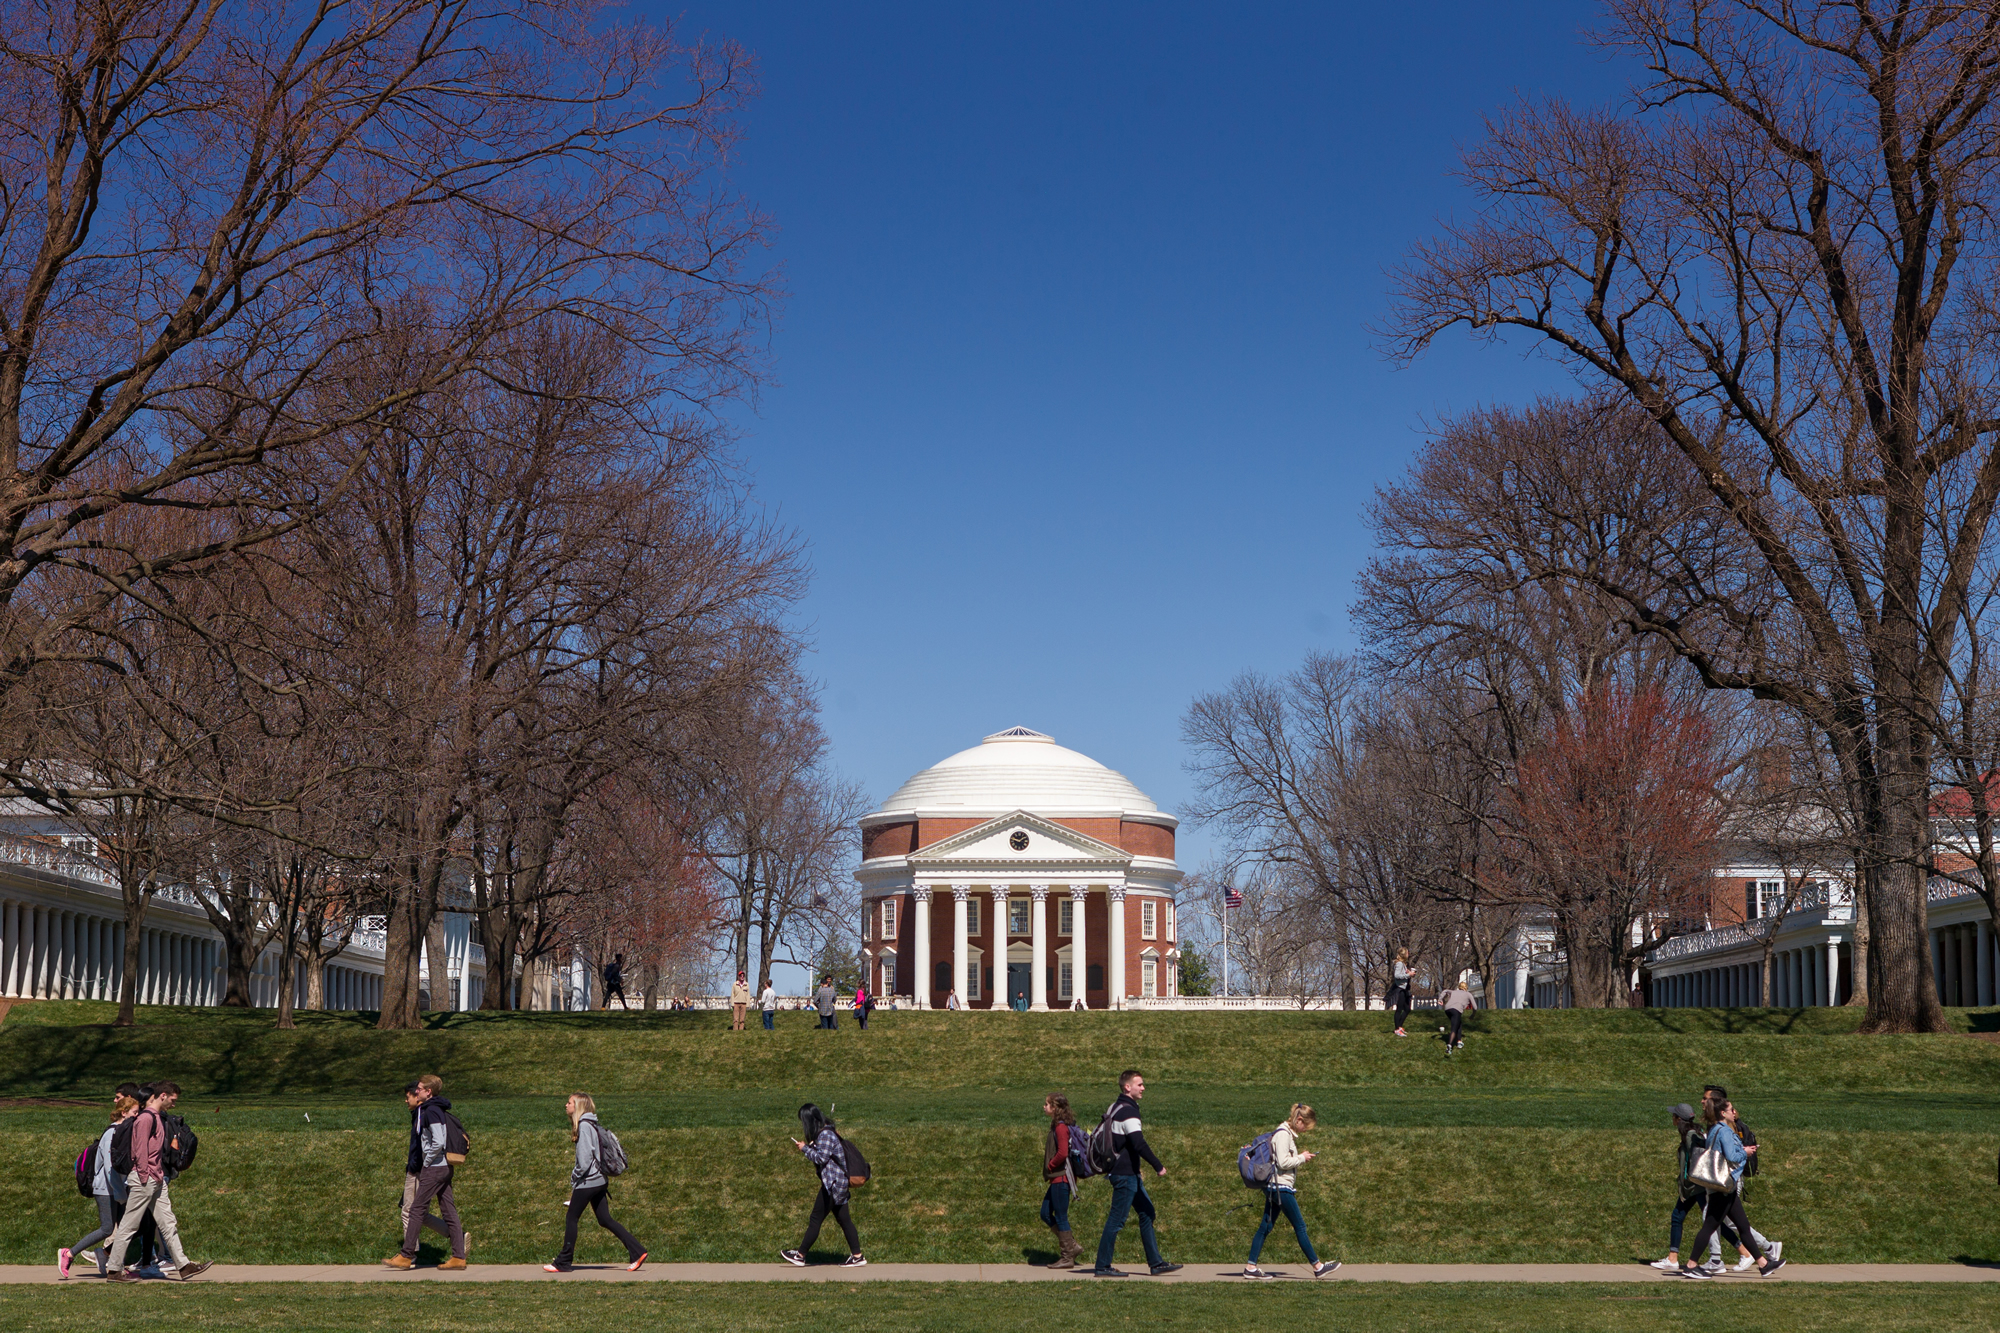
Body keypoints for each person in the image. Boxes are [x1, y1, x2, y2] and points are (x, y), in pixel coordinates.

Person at [103, 1082, 211, 1282]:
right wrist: (145, 1175)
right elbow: (139, 1149)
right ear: (162, 1096)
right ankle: (114, 1270)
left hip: (156, 1179)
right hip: (145, 1179)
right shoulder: (145, 1119)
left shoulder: (155, 1118)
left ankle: (184, 1265)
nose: (174, 1104)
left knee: (168, 1222)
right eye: (173, 1100)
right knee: (129, 1224)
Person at [1678, 1087, 1785, 1279]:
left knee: (1743, 1227)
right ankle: (1691, 1265)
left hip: (1725, 1187)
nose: (1733, 1112)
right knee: (1709, 1226)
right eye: (1730, 1109)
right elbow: (1731, 1156)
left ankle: (1763, 1264)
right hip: (1723, 1187)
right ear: (1723, 1113)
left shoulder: (1715, 1130)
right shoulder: (1724, 1131)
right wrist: (1746, 1152)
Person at [543, 1094, 646, 1272]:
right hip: (599, 1181)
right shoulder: (591, 1123)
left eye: (569, 1102)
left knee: (572, 1218)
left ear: (579, 1107)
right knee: (605, 1219)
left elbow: (584, 1162)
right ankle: (637, 1251)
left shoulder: (583, 1126)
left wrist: (574, 1178)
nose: (566, 1105)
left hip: (588, 1181)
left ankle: (563, 1262)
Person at [1093, 1069, 1180, 1277]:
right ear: (1127, 1087)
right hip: (1124, 1175)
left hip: (1128, 1173)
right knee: (1116, 1220)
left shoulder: (1115, 1106)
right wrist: (1158, 1166)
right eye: (1139, 1084)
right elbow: (1137, 1142)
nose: (1143, 1088)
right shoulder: (1128, 1111)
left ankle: (1156, 1263)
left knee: (1147, 1213)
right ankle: (1102, 1266)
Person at [1244, 1103, 1338, 1279]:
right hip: (1281, 1188)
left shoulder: (1285, 1133)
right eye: (1305, 1127)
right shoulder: (1283, 1134)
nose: (1304, 1131)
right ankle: (1318, 1267)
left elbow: (1284, 1159)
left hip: (1275, 1187)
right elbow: (1282, 1163)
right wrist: (1302, 1158)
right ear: (1299, 1120)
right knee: (1300, 1226)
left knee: (1266, 1226)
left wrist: (1301, 1156)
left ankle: (1250, 1267)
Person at [61, 1085, 142, 1279]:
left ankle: (115, 1263)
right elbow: (109, 1168)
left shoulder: (123, 1133)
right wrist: (121, 1193)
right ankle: (69, 1253)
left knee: (126, 1228)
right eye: (135, 1113)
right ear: (124, 1112)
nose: (137, 1117)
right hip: (105, 1189)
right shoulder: (112, 1133)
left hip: (117, 1188)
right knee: (107, 1228)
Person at [385, 1081, 467, 1270]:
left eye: (420, 1089)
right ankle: (458, 1257)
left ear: (428, 1092)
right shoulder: (434, 1109)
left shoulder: (430, 1111)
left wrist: (428, 1161)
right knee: (448, 1210)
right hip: (443, 1167)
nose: (417, 1091)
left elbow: (438, 1140)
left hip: (435, 1167)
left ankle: (406, 1256)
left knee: (416, 1209)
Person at [780, 1103, 865, 1267]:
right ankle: (857, 1256)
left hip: (832, 1184)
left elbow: (821, 1158)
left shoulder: (826, 1134)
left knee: (815, 1219)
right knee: (844, 1220)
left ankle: (800, 1255)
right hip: (838, 1184)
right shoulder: (828, 1131)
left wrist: (805, 1149)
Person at [1040, 1094, 1084, 1268]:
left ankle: (1067, 1257)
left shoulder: (1060, 1128)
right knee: (1045, 1213)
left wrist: (1051, 1164)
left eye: (1047, 1104)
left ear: (1055, 1108)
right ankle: (1072, 1246)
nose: (1044, 1107)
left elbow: (1063, 1153)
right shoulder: (1057, 1126)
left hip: (1062, 1178)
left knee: (1061, 1216)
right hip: (1056, 1179)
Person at [1439, 979, 1475, 1052]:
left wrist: (1440, 999)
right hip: (1456, 1010)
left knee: (1459, 1023)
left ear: (1459, 987)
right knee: (1454, 1028)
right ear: (1466, 987)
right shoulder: (1468, 994)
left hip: (1447, 1009)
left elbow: (1445, 991)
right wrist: (1473, 1015)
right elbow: (1475, 1007)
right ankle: (1449, 1045)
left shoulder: (1453, 992)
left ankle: (1459, 1041)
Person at [1389, 948, 1413, 1037]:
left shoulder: (1403, 964)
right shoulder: (1399, 964)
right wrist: (1408, 975)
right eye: (1407, 952)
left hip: (1405, 988)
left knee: (1407, 1009)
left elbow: (1402, 975)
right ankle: (1397, 1029)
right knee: (1399, 1009)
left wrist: (1408, 973)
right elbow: (1397, 976)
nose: (1408, 953)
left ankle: (1399, 1026)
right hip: (1400, 989)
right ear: (1404, 954)